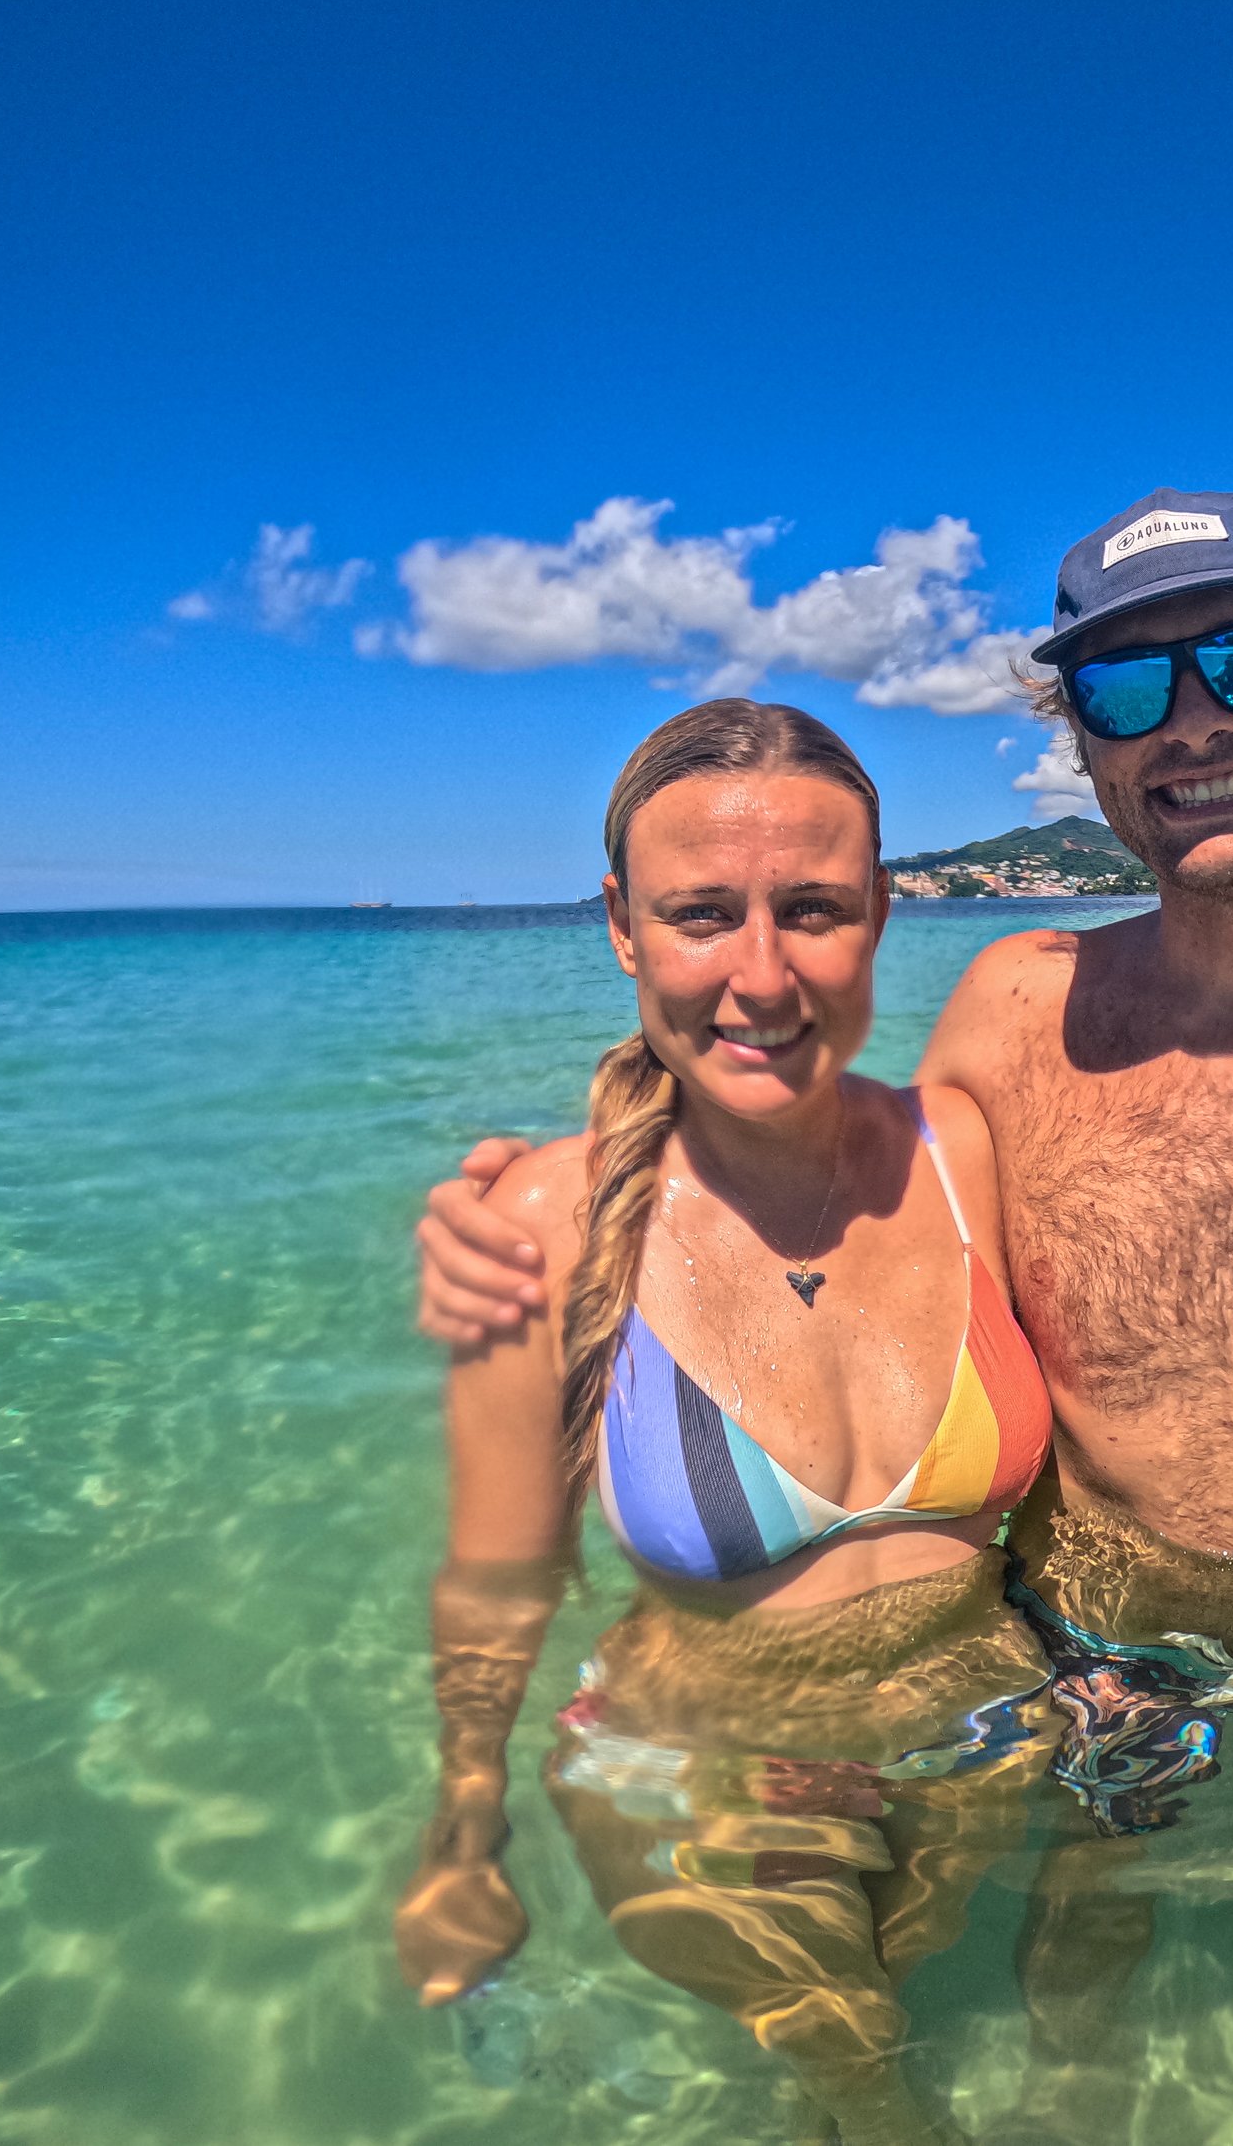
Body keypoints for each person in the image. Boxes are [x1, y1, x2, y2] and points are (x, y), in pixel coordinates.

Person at [416, 490, 1233, 2140]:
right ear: (1086, 752)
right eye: (1128, 689)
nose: (1196, 724)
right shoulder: (1016, 1017)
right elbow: (820, 1168)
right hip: (1093, 1641)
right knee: (1084, 1923)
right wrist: (550, 1192)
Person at [392, 702, 1056, 2146]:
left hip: (979, 1738)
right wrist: (463, 1833)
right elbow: (497, 1579)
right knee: (866, 2075)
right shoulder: (543, 1228)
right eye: (702, 914)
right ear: (623, 929)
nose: (761, 976)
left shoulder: (964, 1155)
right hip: (707, 1764)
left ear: (882, 912)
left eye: (813, 909)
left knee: (905, 2023)